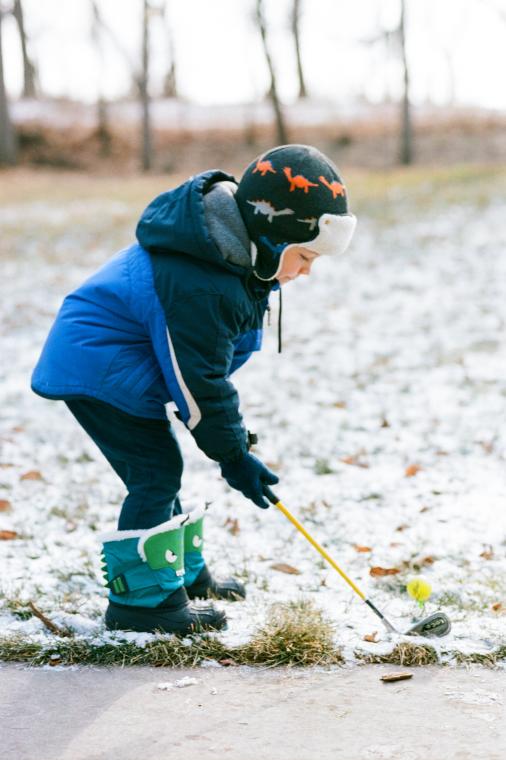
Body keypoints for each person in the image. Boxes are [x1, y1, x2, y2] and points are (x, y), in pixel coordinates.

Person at [31, 144, 357, 635]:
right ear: (273, 235)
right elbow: (199, 381)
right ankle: (143, 606)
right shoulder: (200, 279)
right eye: (305, 255)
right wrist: (232, 456)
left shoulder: (232, 255)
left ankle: (181, 576)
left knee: (163, 469)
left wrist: (232, 440)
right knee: (155, 473)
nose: (307, 270)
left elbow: (208, 369)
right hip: (98, 365)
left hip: (121, 364)